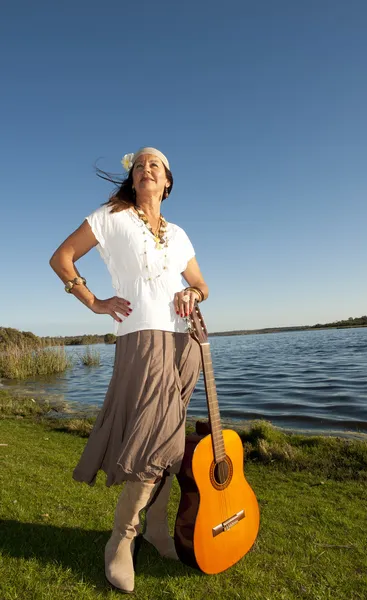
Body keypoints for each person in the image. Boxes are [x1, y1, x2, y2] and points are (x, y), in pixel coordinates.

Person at [49, 146, 208, 594]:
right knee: (156, 439)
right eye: (138, 165)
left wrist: (193, 294)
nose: (145, 169)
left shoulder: (177, 233)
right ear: (133, 178)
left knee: (172, 442)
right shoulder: (111, 216)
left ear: (168, 181)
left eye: (154, 164)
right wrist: (95, 302)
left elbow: (201, 282)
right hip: (142, 338)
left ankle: (157, 528)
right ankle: (122, 537)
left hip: (185, 341)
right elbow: (61, 258)